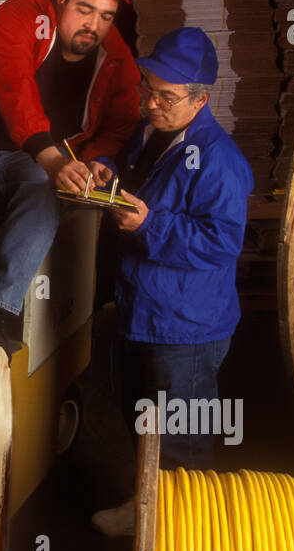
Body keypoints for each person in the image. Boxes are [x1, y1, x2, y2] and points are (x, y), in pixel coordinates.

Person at [0, 0, 141, 346]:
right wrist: (50, 156)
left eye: (106, 16)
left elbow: (121, 122)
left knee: (43, 198)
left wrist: (93, 161)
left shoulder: (114, 55)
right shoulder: (23, 12)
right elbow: (15, 85)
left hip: (28, 157)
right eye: (85, 9)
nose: (93, 25)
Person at [97, 26, 253, 474]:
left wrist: (149, 224)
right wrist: (104, 170)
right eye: (148, 88)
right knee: (142, 421)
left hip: (187, 328)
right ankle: (146, 514)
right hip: (142, 311)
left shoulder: (219, 160)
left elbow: (221, 242)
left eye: (165, 97)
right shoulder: (151, 133)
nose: (150, 103)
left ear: (200, 100)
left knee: (181, 442)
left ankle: (181, 534)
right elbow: (125, 165)